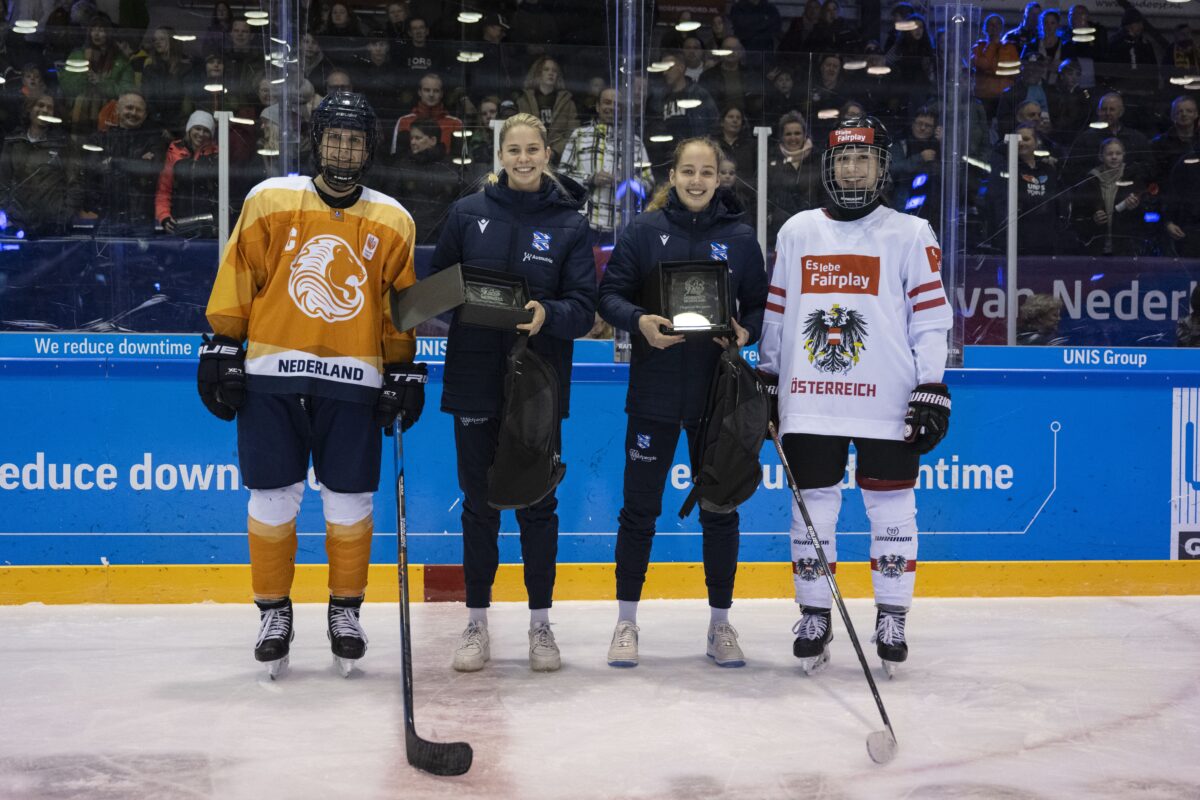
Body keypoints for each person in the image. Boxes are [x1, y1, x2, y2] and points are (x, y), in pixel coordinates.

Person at [199, 92, 428, 678]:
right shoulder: (269, 199)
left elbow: (397, 310)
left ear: (369, 149)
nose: (343, 149)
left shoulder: (393, 219)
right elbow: (239, 277)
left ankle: (344, 612)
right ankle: (274, 613)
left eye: (354, 140)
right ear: (317, 141)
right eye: (334, 138)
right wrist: (222, 344)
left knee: (351, 501)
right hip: (271, 378)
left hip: (354, 381)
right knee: (272, 498)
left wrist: (403, 366)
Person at [757, 116, 953, 676]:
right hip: (812, 397)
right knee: (812, 507)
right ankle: (815, 614)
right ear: (829, 166)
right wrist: (770, 377)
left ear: (882, 166)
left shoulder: (911, 233)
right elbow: (776, 314)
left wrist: (931, 387)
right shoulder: (796, 231)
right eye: (843, 159)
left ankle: (892, 615)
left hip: (887, 400)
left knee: (891, 507)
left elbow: (931, 323)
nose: (851, 168)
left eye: (862, 158)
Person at [431, 113, 596, 674]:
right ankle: (476, 622)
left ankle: (540, 625)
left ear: (547, 153)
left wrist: (548, 313)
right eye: (514, 150)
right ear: (501, 155)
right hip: (474, 378)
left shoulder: (570, 224)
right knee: (479, 506)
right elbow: (437, 289)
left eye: (533, 149)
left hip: (538, 387)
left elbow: (584, 308)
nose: (523, 159)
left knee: (537, 505)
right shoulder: (467, 213)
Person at [597, 136, 768, 669]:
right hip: (654, 394)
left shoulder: (740, 239)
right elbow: (609, 295)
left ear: (720, 179)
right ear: (672, 175)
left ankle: (720, 625)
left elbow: (762, 307)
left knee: (720, 508)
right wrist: (639, 322)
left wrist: (745, 332)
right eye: (688, 171)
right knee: (639, 511)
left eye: (707, 172)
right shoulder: (644, 233)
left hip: (718, 399)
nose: (697, 181)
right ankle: (626, 621)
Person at [558, 87, 654, 247]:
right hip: (583, 225)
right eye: (607, 102)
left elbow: (649, 183)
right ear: (597, 106)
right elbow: (561, 177)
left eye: (618, 104)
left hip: (621, 228)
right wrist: (590, 178)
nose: (612, 107)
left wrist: (627, 181)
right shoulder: (579, 136)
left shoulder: (634, 142)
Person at [0, 93, 82, 236]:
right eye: (40, 105)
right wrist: (8, 212)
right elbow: (2, 181)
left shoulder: (63, 144)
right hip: (16, 226)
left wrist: (64, 217)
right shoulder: (14, 141)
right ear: (29, 108)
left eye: (49, 108)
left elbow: (74, 183)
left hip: (53, 227)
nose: (44, 110)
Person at [1071, 137, 1149, 256]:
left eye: (1118, 153)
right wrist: (1093, 220)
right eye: (1109, 154)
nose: (1114, 157)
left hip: (1125, 250)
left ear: (1124, 155)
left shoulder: (1133, 179)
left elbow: (1144, 217)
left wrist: (1134, 208)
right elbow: (1077, 217)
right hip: (1095, 248)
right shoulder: (1090, 182)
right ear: (1101, 156)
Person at [156, 109, 219, 236]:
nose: (201, 134)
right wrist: (164, 216)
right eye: (197, 128)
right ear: (189, 129)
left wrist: (219, 220)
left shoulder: (218, 154)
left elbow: (222, 193)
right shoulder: (174, 151)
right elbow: (164, 190)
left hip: (209, 224)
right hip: (179, 222)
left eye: (206, 130)